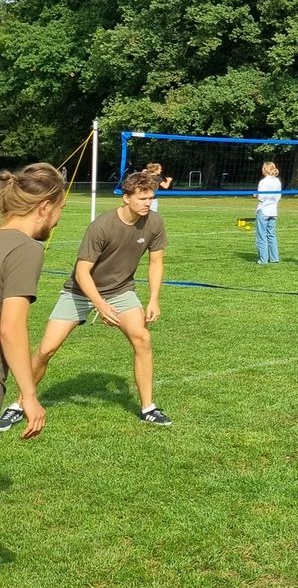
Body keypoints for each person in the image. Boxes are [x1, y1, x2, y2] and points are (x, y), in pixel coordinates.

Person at [11, 170, 172, 429]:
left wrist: (154, 299)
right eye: (142, 198)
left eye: (151, 198)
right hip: (79, 292)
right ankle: (18, 404)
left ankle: (148, 408)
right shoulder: (102, 226)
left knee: (142, 338)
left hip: (120, 291)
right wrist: (100, 304)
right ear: (126, 198)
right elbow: (82, 272)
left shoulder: (155, 222)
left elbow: (156, 262)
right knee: (46, 349)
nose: (148, 203)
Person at [0, 163, 65, 439]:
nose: (59, 219)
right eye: (62, 209)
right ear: (45, 207)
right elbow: (10, 328)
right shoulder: (26, 249)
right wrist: (28, 395)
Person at [255, 161, 281, 264]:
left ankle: (263, 259)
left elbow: (261, 198)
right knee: (272, 235)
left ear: (265, 170)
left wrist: (255, 195)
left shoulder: (263, 182)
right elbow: (278, 197)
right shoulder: (277, 181)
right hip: (273, 211)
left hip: (263, 210)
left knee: (261, 236)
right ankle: (274, 258)